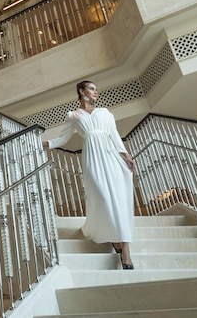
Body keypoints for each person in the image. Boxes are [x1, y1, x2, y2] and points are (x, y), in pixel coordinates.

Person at [43, 80, 136, 269]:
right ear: (82, 91)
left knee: (118, 200)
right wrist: (44, 144)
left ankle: (125, 250)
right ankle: (114, 238)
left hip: (111, 156)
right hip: (92, 159)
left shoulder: (105, 112)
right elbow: (63, 139)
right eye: (92, 89)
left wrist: (126, 155)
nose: (96, 92)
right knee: (103, 197)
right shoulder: (73, 116)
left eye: (96, 89)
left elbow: (114, 135)